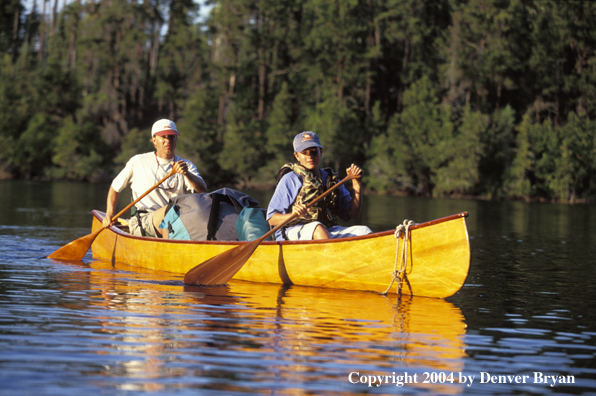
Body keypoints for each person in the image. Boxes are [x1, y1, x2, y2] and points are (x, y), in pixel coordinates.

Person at [103, 119, 207, 238]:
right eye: (163, 137)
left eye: (172, 137)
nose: (168, 141)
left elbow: (202, 190)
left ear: (176, 139)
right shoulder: (138, 161)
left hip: (176, 219)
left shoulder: (186, 165)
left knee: (199, 211)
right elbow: (115, 188)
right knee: (169, 212)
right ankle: (172, 249)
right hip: (143, 221)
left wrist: (187, 174)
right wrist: (109, 215)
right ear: (154, 140)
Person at [267, 131, 372, 241]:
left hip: (327, 230)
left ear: (320, 152)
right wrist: (294, 214)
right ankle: (332, 256)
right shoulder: (291, 179)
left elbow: (354, 213)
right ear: (297, 156)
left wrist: (357, 183)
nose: (310, 156)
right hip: (293, 231)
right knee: (318, 228)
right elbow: (271, 218)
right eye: (305, 153)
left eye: (313, 152)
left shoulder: (331, 180)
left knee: (364, 231)